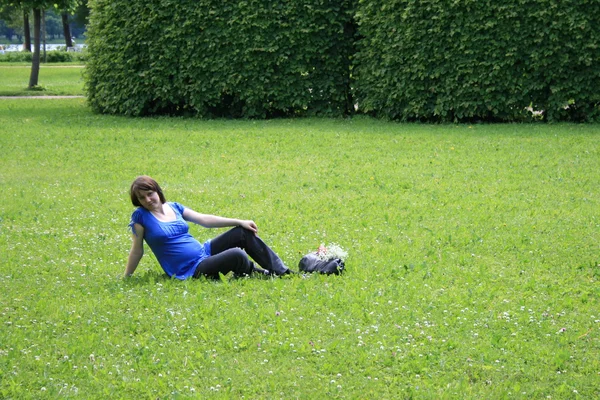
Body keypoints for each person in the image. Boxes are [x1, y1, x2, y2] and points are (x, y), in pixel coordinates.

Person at [125, 175, 292, 279]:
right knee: (237, 254)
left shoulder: (174, 207)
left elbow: (204, 219)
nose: (147, 200)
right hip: (191, 269)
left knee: (242, 233)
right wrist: (127, 276)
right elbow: (137, 250)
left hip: (203, 252)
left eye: (150, 194)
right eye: (142, 198)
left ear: (157, 192)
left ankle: (282, 272)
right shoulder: (141, 217)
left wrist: (239, 221)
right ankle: (255, 272)